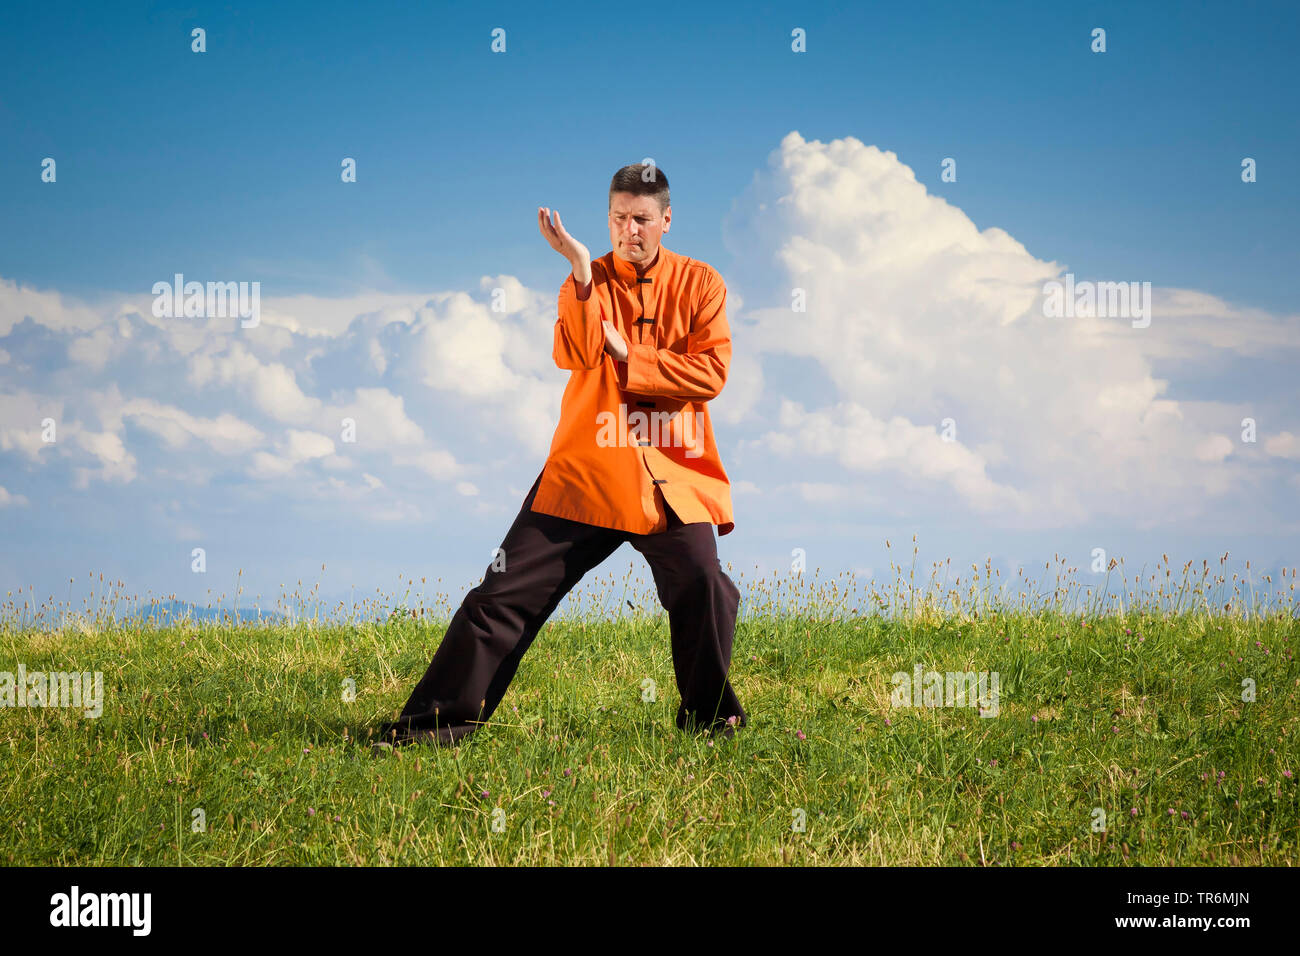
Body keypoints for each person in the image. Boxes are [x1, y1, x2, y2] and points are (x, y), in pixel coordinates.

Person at [371, 163, 745, 751]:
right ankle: (433, 727)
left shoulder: (702, 284)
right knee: (498, 596)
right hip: (588, 471)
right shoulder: (586, 279)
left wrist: (629, 351)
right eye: (618, 218)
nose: (629, 230)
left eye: (642, 219)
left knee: (705, 582)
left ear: (666, 220)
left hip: (672, 474)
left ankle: (710, 721)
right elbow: (571, 352)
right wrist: (577, 272)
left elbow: (711, 372)